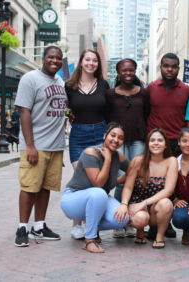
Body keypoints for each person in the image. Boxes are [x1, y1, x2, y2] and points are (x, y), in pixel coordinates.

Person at [14, 46, 67, 247]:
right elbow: (24, 112)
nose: (54, 61)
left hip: (55, 146)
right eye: (51, 57)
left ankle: (39, 225)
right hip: (36, 144)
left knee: (46, 187)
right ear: (43, 58)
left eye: (58, 58)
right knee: (29, 187)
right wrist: (30, 146)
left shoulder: (60, 81)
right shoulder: (30, 79)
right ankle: (22, 227)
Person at [60, 123, 130, 253]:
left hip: (97, 198)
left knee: (122, 219)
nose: (116, 140)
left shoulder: (118, 156)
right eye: (112, 135)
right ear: (104, 136)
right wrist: (107, 160)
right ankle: (89, 240)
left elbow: (133, 170)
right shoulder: (90, 152)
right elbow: (98, 183)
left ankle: (92, 225)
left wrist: (118, 180)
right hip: (73, 199)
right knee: (99, 192)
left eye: (120, 138)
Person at [65, 49, 110, 239]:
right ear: (81, 62)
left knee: (96, 181)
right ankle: (77, 223)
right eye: (87, 60)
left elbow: (109, 111)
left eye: (94, 61)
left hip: (100, 133)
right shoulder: (69, 86)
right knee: (81, 180)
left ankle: (91, 225)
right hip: (78, 135)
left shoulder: (104, 85)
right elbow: (65, 109)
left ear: (97, 64)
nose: (91, 63)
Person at [146, 53, 189, 238]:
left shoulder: (186, 90)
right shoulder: (151, 88)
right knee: (153, 182)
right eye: (166, 66)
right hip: (156, 142)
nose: (169, 69)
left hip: (175, 142)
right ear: (161, 67)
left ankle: (167, 221)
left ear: (178, 68)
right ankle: (153, 223)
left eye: (173, 66)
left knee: (172, 184)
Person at [106, 58, 150, 238]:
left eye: (131, 70)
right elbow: (107, 117)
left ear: (135, 71)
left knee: (136, 179)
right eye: (124, 70)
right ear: (118, 72)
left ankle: (132, 221)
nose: (128, 73)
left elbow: (146, 114)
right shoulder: (110, 94)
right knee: (121, 179)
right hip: (119, 142)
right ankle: (119, 221)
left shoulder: (143, 93)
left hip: (138, 140)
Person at [115, 128, 178, 248]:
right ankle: (140, 232)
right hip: (136, 204)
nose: (156, 143)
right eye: (152, 140)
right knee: (140, 218)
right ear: (148, 144)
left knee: (166, 204)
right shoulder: (138, 160)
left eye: (160, 140)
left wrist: (144, 203)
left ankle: (159, 237)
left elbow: (169, 190)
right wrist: (124, 204)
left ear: (165, 145)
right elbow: (128, 186)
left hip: (155, 206)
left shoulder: (171, 161)